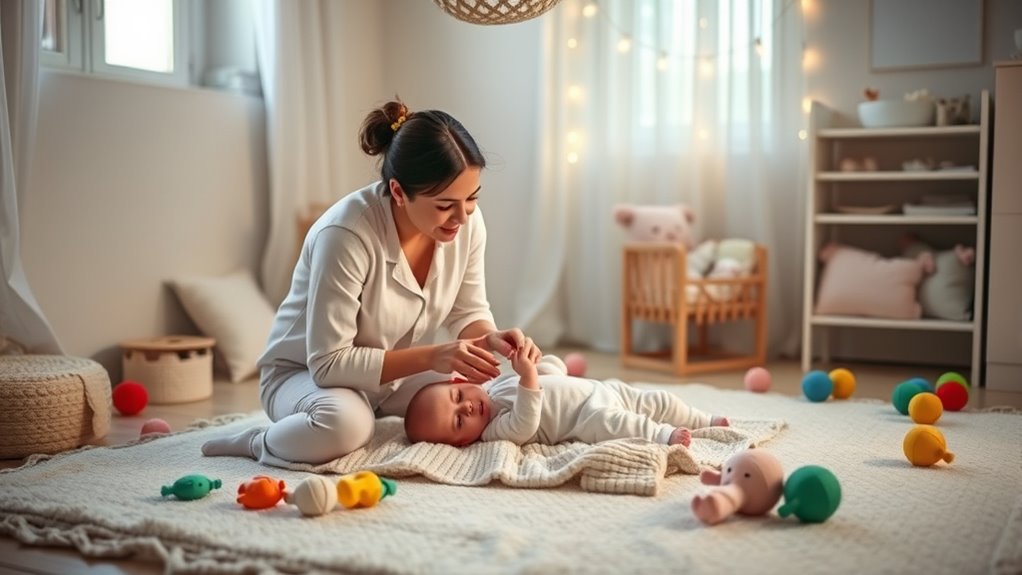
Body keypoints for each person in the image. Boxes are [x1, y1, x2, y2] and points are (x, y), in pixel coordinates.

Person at [202, 99, 536, 467]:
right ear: (397, 192)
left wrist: (490, 339)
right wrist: (433, 356)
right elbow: (328, 364)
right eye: (445, 204)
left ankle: (367, 408)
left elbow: (468, 310)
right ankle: (259, 442)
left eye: (471, 198)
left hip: (389, 376)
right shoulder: (345, 234)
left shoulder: (466, 223)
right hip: (307, 375)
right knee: (347, 426)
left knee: (493, 392)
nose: (462, 216)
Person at [403, 346, 730, 449]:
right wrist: (529, 376)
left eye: (458, 395)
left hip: (599, 388)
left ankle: (704, 419)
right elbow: (525, 422)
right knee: (618, 423)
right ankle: (663, 435)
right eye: (460, 419)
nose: (468, 406)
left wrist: (544, 365)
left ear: (459, 380)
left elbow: (550, 379)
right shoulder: (493, 432)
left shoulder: (491, 386)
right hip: (583, 418)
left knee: (657, 399)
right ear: (462, 442)